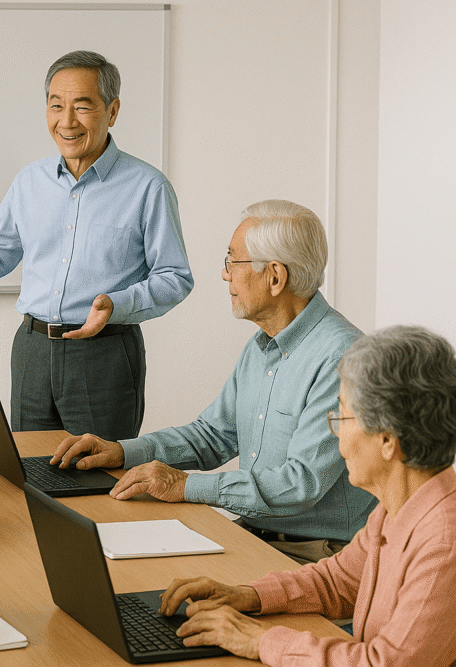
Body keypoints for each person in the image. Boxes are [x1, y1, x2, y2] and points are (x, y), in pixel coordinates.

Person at [0, 50, 193, 441]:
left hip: (104, 354)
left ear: (112, 111)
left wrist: (117, 304)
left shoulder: (148, 186)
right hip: (32, 352)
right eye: (56, 105)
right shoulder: (29, 182)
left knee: (99, 472)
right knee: (29, 469)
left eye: (82, 107)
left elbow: (175, 277)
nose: (67, 121)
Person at [52, 200, 376, 563]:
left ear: (275, 277)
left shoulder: (343, 358)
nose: (225, 275)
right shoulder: (262, 346)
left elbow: (299, 484)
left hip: (317, 554)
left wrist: (184, 485)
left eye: (232, 262)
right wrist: (123, 452)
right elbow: (214, 435)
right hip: (253, 532)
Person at [158, 325, 456, 665]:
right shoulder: (399, 508)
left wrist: (262, 640)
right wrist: (246, 595)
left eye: (342, 416)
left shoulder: (446, 547)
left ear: (388, 440)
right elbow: (337, 581)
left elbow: (383, 664)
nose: (337, 434)